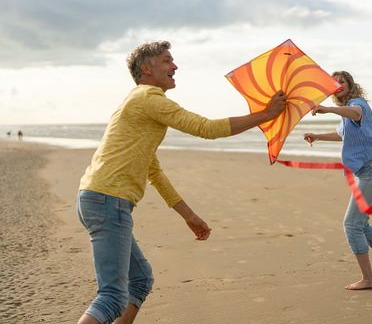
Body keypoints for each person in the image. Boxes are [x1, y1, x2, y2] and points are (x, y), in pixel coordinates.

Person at [76, 41, 286, 324]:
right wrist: (266, 115)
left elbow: (155, 172)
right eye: (167, 61)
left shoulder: (139, 103)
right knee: (112, 296)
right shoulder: (148, 98)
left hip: (99, 198)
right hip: (107, 200)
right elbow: (206, 128)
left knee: (140, 281)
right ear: (147, 68)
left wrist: (189, 216)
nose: (175, 66)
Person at [304, 70, 372, 290]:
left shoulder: (357, 104)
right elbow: (342, 134)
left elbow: (355, 113)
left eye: (342, 81)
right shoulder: (347, 114)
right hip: (369, 171)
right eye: (334, 83)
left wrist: (327, 109)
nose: (339, 84)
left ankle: (368, 278)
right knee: (361, 223)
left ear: (350, 84)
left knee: (351, 224)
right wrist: (317, 136)